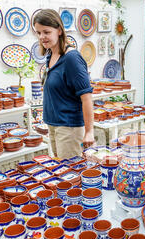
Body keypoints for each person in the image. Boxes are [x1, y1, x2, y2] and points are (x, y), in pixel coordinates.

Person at [33, 9, 95, 159]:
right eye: (38, 32)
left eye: (46, 32)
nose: (42, 37)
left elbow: (86, 97)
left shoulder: (71, 58)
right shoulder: (51, 56)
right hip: (53, 124)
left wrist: (89, 132)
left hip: (68, 127)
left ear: (59, 30)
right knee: (61, 170)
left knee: (70, 174)